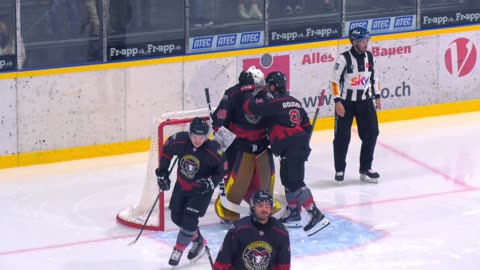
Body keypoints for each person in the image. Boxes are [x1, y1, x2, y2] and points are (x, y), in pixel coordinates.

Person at [246, 71, 330, 236]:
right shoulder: (295, 102)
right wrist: (300, 140)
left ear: (272, 86)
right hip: (297, 145)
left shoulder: (275, 103)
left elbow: (253, 108)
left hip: (291, 147)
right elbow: (306, 124)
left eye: (267, 86)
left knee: (295, 182)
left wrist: (253, 93)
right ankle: (293, 213)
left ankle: (315, 213)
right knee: (287, 179)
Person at [155, 117, 227, 267]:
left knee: (189, 219)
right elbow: (167, 149)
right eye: (194, 136)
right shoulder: (180, 141)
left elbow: (223, 169)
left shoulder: (213, 149)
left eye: (201, 137)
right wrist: (162, 172)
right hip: (182, 186)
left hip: (200, 191)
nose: (198, 140)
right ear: (189, 133)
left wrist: (211, 182)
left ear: (206, 136)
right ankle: (198, 241)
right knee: (176, 217)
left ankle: (178, 250)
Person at [212, 66, 279, 224]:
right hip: (240, 148)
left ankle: (260, 207)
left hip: (261, 148)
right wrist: (226, 145)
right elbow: (219, 121)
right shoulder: (233, 93)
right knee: (237, 182)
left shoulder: (266, 95)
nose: (259, 88)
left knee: (262, 182)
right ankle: (228, 211)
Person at [330, 27, 381, 184]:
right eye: (363, 41)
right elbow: (334, 81)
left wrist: (377, 96)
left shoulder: (370, 57)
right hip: (346, 104)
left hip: (365, 102)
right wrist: (337, 101)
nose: (366, 43)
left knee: (372, 133)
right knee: (342, 138)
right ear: (354, 42)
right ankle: (340, 169)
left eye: (367, 40)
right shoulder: (344, 59)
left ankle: (365, 169)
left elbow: (375, 78)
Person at [213, 190, 291, 270]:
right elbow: (222, 263)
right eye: (260, 205)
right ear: (253, 207)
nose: (264, 209)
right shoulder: (238, 229)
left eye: (267, 206)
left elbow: (283, 266)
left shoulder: (281, 232)